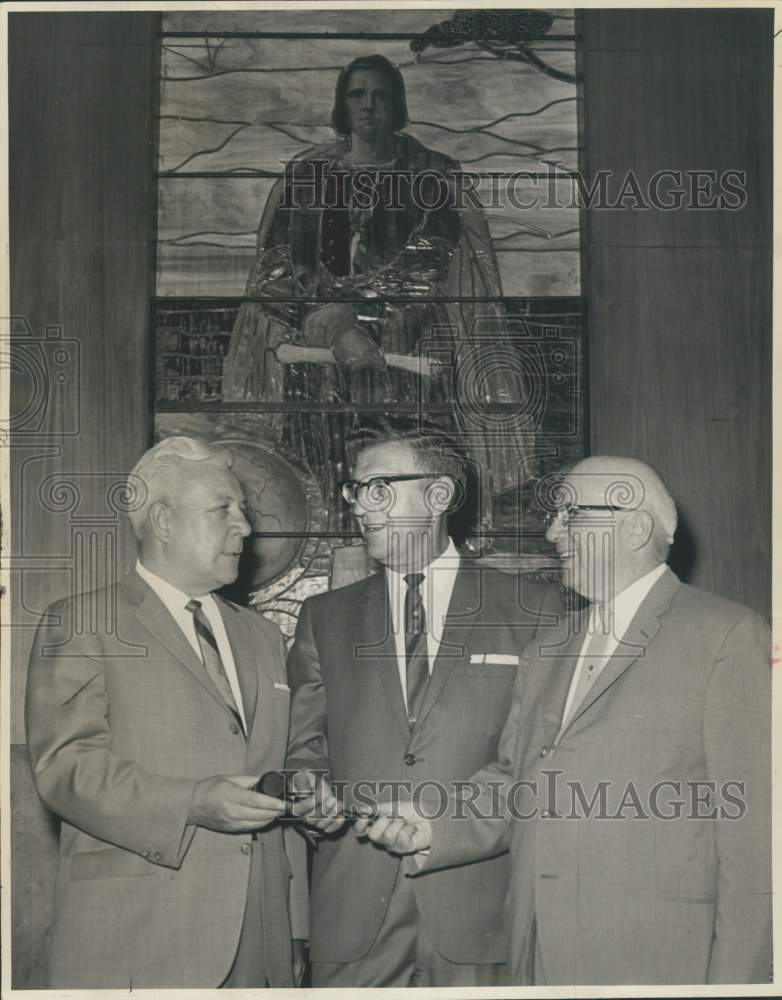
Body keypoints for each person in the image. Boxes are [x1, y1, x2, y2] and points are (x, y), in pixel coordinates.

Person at [358, 455, 772, 985]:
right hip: (537, 952)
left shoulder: (726, 635)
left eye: (571, 515)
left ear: (635, 527)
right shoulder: (551, 644)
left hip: (659, 960)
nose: (553, 532)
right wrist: (432, 826)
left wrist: (737, 984)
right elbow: (515, 783)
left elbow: (756, 842)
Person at [25, 436, 307, 988]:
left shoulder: (264, 636)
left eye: (244, 511)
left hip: (261, 944)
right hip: (140, 937)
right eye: (223, 509)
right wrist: (192, 803)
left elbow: (277, 772)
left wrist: (294, 927)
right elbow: (64, 769)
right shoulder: (82, 622)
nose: (245, 528)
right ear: (163, 520)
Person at [285, 418, 555, 987]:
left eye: (379, 487)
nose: (360, 506)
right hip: (351, 916)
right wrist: (308, 790)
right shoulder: (323, 618)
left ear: (438, 495)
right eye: (355, 490)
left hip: (483, 913)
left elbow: (539, 764)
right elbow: (305, 747)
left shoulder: (536, 612)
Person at [223, 53, 533, 531]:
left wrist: (354, 320)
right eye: (357, 94)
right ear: (342, 105)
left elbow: (430, 261)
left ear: (398, 104)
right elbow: (277, 267)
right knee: (332, 482)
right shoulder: (306, 175)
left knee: (414, 475)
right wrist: (329, 325)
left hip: (409, 355)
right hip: (318, 361)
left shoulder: (433, 174)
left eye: (380, 95)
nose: (368, 106)